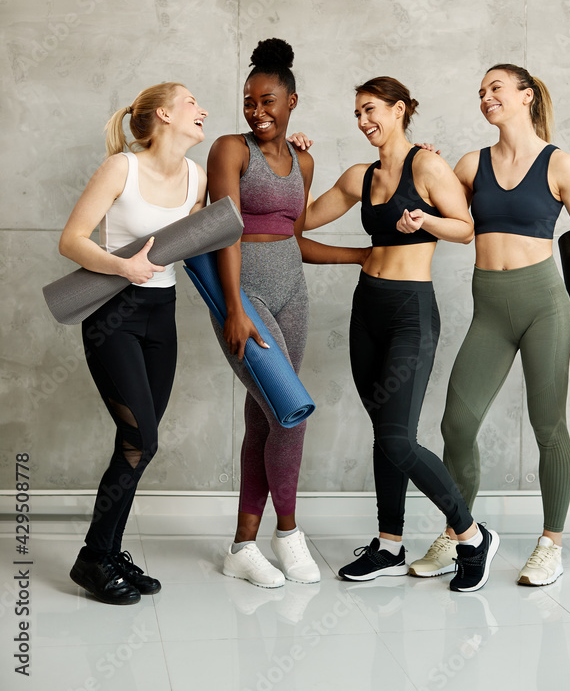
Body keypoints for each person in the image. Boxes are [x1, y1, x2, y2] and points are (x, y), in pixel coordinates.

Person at [410, 63, 570, 586]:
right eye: (481, 91)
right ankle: (461, 532)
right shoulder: (471, 164)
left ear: (526, 96)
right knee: (457, 425)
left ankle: (549, 544)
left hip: (545, 307)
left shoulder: (561, 165)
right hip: (490, 309)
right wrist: (429, 172)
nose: (486, 97)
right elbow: (441, 212)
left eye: (496, 88)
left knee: (548, 427)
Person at [301, 76, 500, 593]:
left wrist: (427, 220)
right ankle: (390, 545)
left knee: (396, 436)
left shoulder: (427, 165)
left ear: (399, 109)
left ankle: (472, 535)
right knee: (383, 434)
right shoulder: (359, 176)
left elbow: (466, 227)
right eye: (358, 114)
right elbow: (298, 221)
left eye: (372, 110)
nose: (365, 121)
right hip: (367, 308)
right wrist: (300, 165)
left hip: (411, 312)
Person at [207, 38, 369, 589]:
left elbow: (296, 240)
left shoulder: (303, 159)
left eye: (268, 100)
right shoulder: (231, 150)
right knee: (289, 409)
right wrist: (233, 306)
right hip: (245, 296)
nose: (257, 111)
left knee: (267, 417)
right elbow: (225, 228)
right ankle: (290, 533)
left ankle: (242, 547)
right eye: (249, 101)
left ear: (292, 101)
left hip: (293, 295)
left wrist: (362, 255)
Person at [61, 82, 208, 604]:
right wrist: (122, 266)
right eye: (193, 103)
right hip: (112, 316)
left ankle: (108, 550)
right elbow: (72, 238)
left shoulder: (197, 177)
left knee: (137, 446)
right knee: (141, 440)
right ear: (164, 114)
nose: (203, 110)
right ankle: (92, 558)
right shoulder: (121, 168)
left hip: (161, 317)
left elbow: (208, 236)